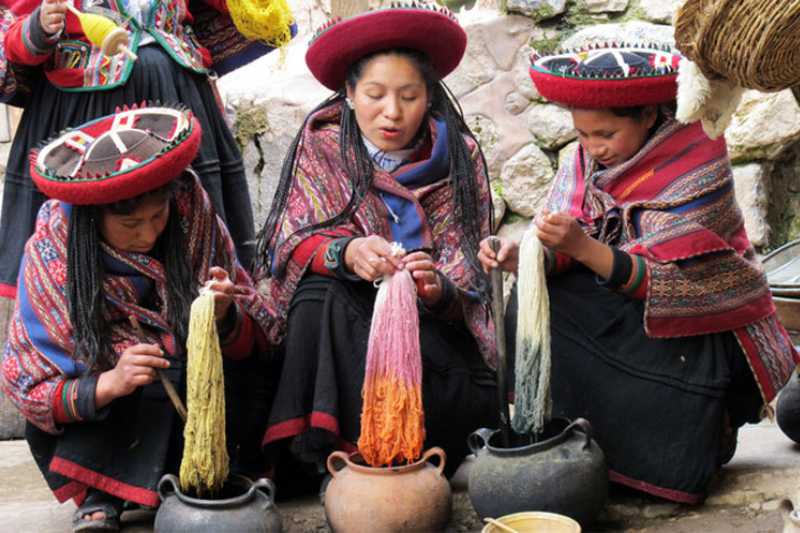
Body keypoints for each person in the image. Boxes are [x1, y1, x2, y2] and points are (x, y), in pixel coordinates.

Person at [478, 45, 799, 503]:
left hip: (701, 330)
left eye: (605, 134)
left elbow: (683, 287)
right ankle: (583, 445)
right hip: (626, 305)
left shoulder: (697, 160)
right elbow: (565, 243)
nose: (592, 148)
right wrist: (524, 256)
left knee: (650, 326)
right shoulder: (583, 162)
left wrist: (582, 247)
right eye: (582, 134)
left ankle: (690, 448)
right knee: (546, 298)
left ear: (648, 114)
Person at [254, 2, 499, 485]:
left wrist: (432, 286)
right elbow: (292, 239)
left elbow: (469, 274)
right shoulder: (322, 143)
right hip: (342, 328)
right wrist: (346, 253)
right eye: (375, 94)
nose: (392, 112)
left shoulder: (460, 159)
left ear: (429, 96)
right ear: (348, 93)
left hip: (428, 345)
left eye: (409, 95)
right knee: (317, 295)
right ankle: (331, 453)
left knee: (353, 315)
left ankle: (374, 457)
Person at [1, 105, 273, 531]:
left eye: (156, 217)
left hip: (188, 386)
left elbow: (257, 327)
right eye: (130, 224)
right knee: (142, 376)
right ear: (93, 219)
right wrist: (109, 383)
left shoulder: (191, 212)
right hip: (111, 408)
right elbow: (31, 383)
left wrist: (222, 315)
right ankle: (101, 489)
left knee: (211, 369)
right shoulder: (53, 247)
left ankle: (205, 475)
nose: (148, 235)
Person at [0, 0, 292, 298]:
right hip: (89, 112)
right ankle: (99, 323)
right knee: (96, 228)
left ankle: (203, 312)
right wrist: (40, 28)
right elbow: (16, 37)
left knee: (188, 218)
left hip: (178, 95)